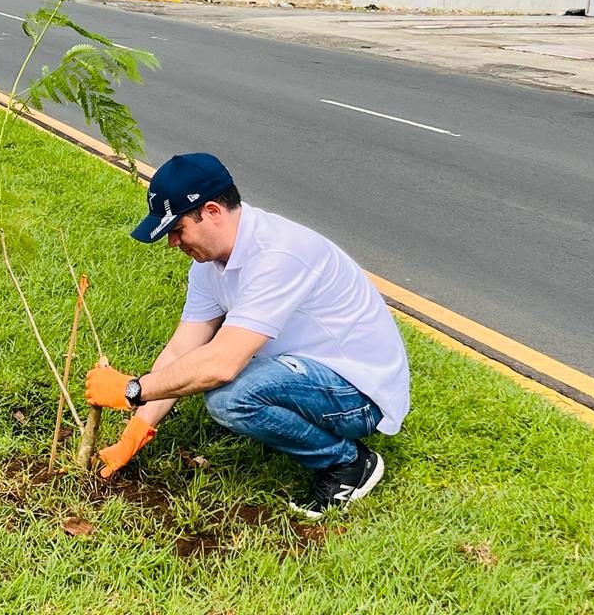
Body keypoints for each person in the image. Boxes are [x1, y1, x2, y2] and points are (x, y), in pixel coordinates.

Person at [85, 153, 409, 517]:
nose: (173, 243)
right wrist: (136, 431)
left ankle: (348, 464)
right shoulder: (208, 265)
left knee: (230, 396)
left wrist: (134, 390)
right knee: (219, 379)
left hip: (359, 391)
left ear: (212, 211)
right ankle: (298, 424)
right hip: (306, 371)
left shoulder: (278, 254)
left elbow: (221, 364)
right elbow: (181, 350)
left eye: (177, 229)